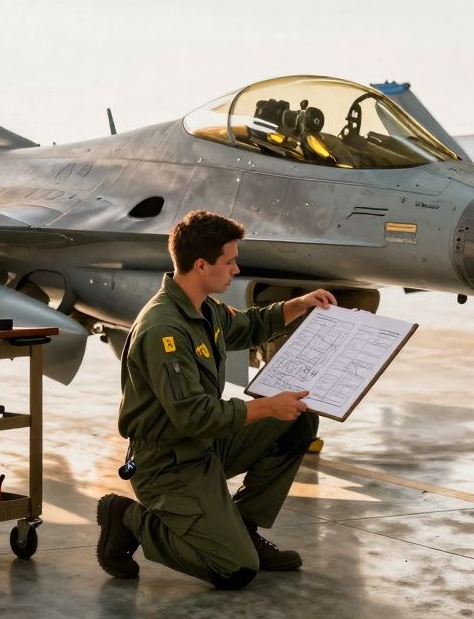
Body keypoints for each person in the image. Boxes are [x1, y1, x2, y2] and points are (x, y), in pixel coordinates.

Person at [96, 209, 336, 590]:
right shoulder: (164, 329)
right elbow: (195, 416)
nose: (236, 270)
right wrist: (268, 405)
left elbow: (251, 326)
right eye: (230, 262)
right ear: (202, 264)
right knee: (235, 569)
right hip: (166, 462)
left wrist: (301, 303)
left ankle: (244, 525)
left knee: (298, 421)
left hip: (203, 445)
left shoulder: (204, 308)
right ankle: (129, 519)